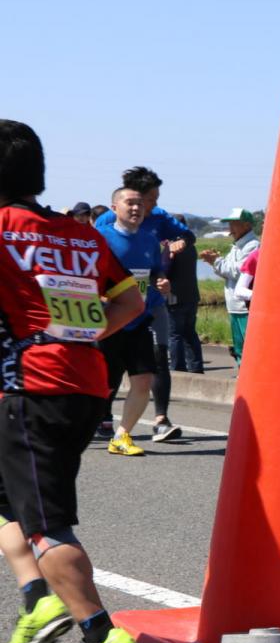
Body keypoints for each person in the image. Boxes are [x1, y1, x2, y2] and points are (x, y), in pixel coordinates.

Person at [0, 119, 145, 643]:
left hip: (31, 389)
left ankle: (98, 634)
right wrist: (75, 337)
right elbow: (129, 302)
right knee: (8, 500)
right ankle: (38, 597)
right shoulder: (78, 234)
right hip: (85, 382)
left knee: (45, 523)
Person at [95, 168, 194, 441]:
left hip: (144, 311)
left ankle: (143, 427)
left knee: (150, 369)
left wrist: (161, 279)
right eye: (137, 201)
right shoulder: (102, 232)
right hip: (110, 313)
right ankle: (97, 417)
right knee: (107, 374)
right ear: (116, 206)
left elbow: (157, 266)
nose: (143, 207)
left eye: (146, 202)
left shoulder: (153, 232)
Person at [95, 188, 173, 455]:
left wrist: (161, 281)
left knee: (143, 380)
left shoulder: (150, 240)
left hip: (138, 319)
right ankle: (76, 428)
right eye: (130, 203)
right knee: (101, 384)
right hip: (108, 319)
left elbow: (155, 271)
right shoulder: (99, 238)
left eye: (140, 204)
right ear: (114, 207)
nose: (136, 208)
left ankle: (122, 436)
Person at [199, 208, 259, 364]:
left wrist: (216, 261)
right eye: (229, 224)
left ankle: (249, 376)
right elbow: (229, 272)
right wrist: (216, 261)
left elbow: (239, 271)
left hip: (245, 307)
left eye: (234, 224)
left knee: (250, 347)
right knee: (239, 348)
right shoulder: (237, 245)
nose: (230, 229)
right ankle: (242, 375)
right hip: (235, 306)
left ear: (246, 225)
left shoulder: (252, 246)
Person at [166, 213, 204, 374]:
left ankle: (177, 368)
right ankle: (196, 367)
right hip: (192, 295)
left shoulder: (173, 247)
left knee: (174, 334)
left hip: (174, 296)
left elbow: (165, 270)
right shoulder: (191, 246)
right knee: (190, 333)